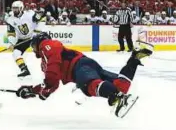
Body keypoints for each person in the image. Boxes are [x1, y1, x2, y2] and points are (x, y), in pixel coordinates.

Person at [15, 32, 153, 118]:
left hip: (79, 67)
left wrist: (47, 86)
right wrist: (33, 91)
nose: (33, 50)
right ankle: (135, 58)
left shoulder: (47, 44)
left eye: (33, 47)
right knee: (120, 85)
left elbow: (52, 73)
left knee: (88, 85)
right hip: (87, 66)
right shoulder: (44, 63)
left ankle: (117, 96)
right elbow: (53, 83)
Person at [6, 1, 44, 78]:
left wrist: (36, 33)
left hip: (34, 37)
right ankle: (24, 70)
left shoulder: (30, 14)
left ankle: (49, 67)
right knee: (16, 53)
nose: (14, 10)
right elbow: (11, 33)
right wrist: (12, 43)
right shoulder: (10, 19)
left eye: (16, 8)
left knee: (43, 52)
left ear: (21, 8)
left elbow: (41, 20)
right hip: (22, 39)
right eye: (13, 8)